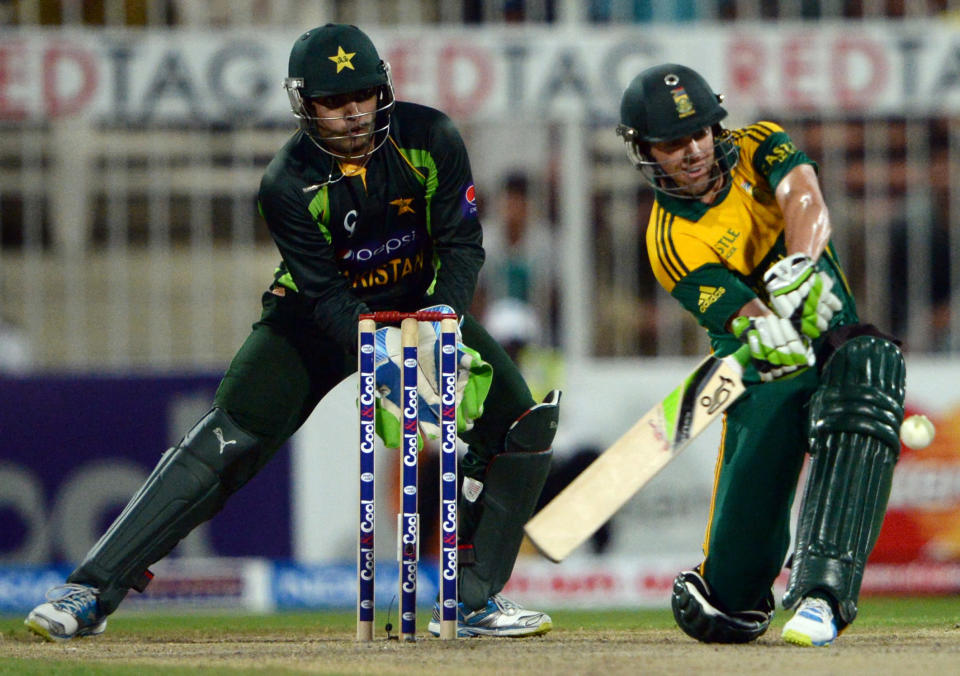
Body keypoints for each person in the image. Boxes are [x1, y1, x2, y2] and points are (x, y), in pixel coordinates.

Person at [25, 23, 558, 641]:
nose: (354, 112)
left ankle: (470, 602)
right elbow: (327, 293)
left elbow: (462, 244)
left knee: (522, 424)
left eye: (364, 94)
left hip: (419, 307)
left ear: (383, 89)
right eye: (335, 102)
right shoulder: (286, 182)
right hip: (312, 317)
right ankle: (88, 589)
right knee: (226, 441)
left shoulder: (430, 137)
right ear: (304, 105)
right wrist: (381, 356)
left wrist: (441, 320)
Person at [615, 63, 906, 647]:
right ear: (644, 150)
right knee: (726, 604)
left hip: (834, 336)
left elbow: (805, 196)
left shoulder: (758, 143)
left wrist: (800, 263)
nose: (694, 150)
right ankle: (726, 586)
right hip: (757, 363)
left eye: (701, 132)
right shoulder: (668, 240)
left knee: (869, 364)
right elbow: (743, 316)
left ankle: (821, 593)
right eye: (674, 143)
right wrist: (766, 324)